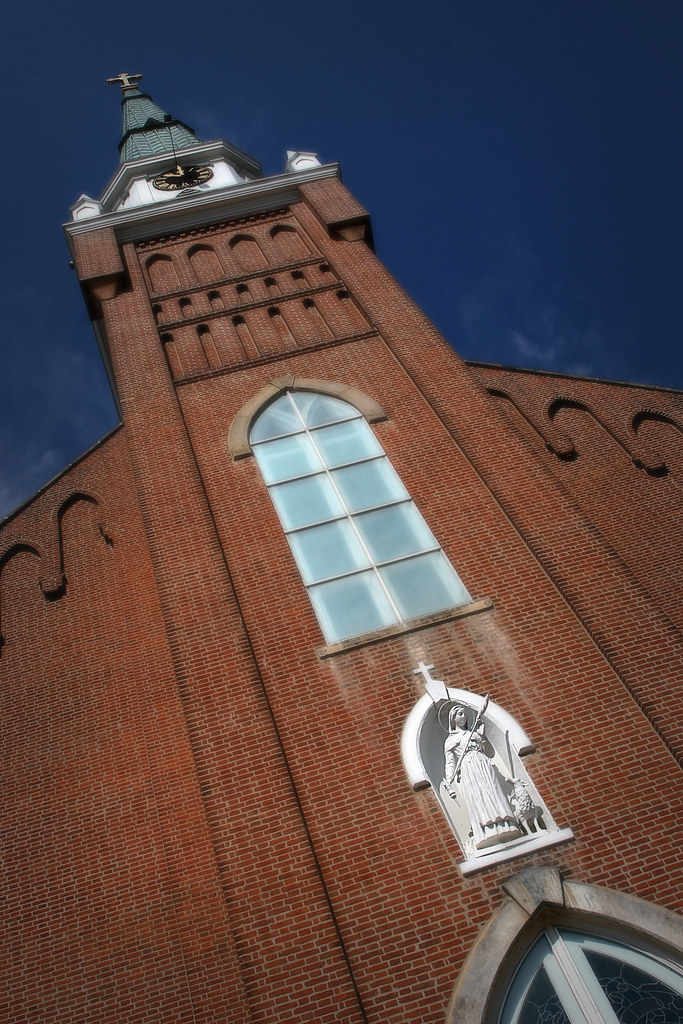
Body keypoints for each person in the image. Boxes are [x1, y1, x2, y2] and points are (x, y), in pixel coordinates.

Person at [444, 705, 522, 851]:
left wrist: (483, 737)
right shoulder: (450, 741)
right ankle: (485, 831)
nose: (463, 717)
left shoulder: (475, 734)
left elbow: (490, 753)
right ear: (453, 718)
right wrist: (449, 779)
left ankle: (506, 824)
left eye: (464, 714)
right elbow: (450, 763)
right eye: (459, 714)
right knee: (477, 796)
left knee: (493, 791)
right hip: (468, 768)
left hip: (483, 763)